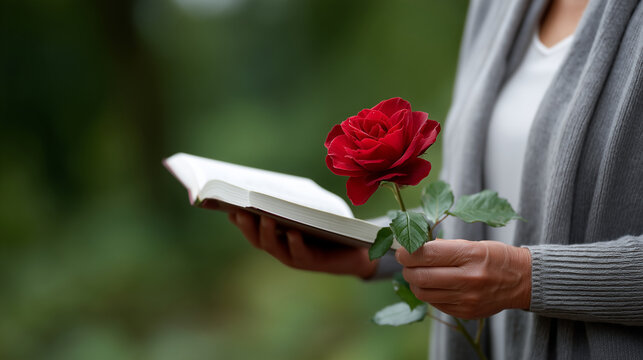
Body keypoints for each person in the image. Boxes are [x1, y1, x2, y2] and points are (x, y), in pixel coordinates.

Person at [228, 0, 643, 358]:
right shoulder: (495, 10)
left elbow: (509, 266)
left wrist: (529, 278)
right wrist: (367, 248)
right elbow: (471, 218)